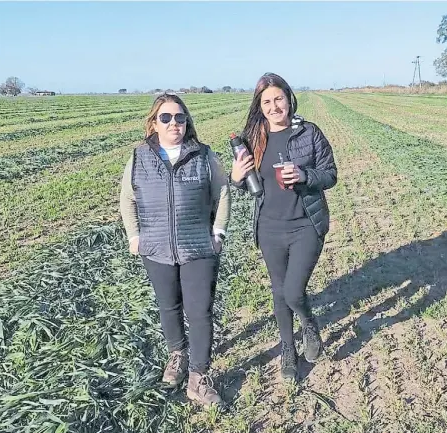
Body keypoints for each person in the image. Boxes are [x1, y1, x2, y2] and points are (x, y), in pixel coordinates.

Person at [120, 93, 231, 407]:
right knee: (168, 307)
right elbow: (126, 199)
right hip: (155, 249)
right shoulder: (139, 156)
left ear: (187, 122)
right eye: (166, 118)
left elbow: (222, 191)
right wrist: (134, 236)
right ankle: (177, 356)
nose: (173, 123)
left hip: (197, 247)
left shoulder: (204, 155)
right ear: (154, 123)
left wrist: (218, 232)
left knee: (199, 312)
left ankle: (198, 376)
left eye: (179, 118)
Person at [231, 73, 337, 382]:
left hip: (306, 224)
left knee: (293, 291)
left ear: (289, 98)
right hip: (269, 228)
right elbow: (242, 184)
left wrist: (304, 175)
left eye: (278, 98)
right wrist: (235, 176)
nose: (274, 106)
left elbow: (330, 175)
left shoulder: (310, 133)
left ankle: (308, 323)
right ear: (259, 107)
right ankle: (288, 351)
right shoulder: (253, 138)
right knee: (279, 291)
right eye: (267, 101)